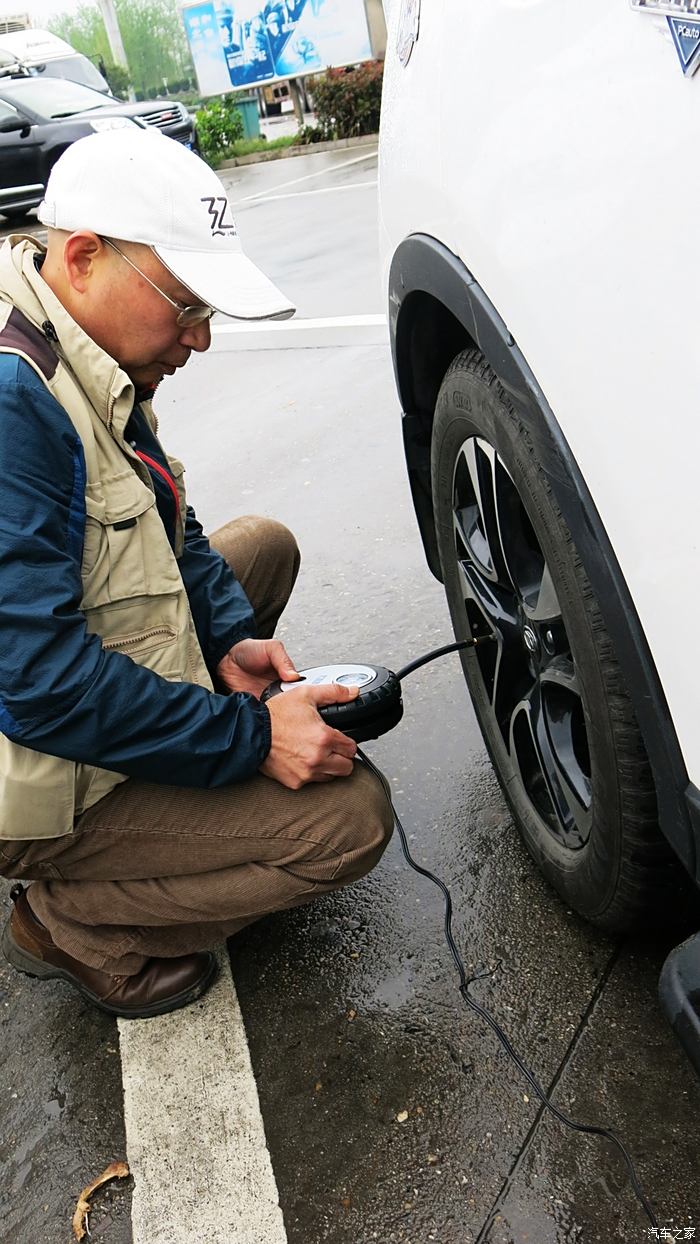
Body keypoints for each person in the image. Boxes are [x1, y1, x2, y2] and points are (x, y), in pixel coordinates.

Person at [0, 128, 392, 1019]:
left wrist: (228, 639)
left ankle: (162, 817)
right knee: (350, 824)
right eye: (185, 306)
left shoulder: (71, 332)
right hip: (24, 763)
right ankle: (70, 919)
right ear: (86, 256)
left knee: (264, 547)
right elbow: (40, 690)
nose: (202, 339)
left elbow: (168, 519)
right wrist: (252, 741)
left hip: (48, 675)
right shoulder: (13, 401)